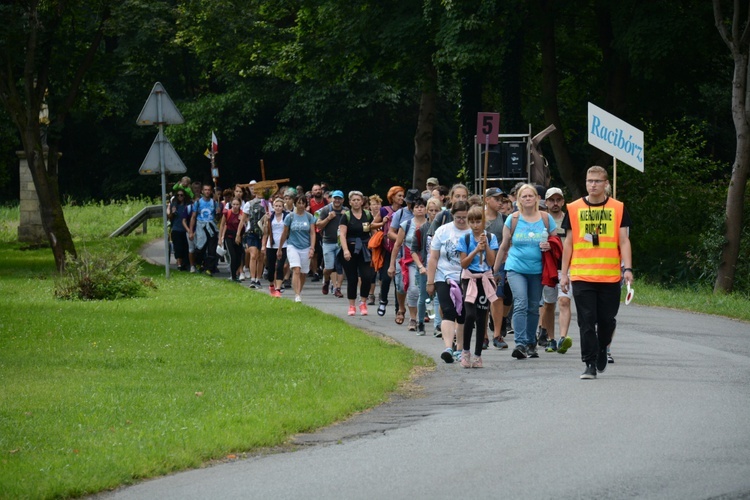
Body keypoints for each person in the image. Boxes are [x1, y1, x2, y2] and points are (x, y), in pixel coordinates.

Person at [559, 166, 633, 379]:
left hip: (610, 275)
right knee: (586, 320)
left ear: (606, 183)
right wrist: (564, 274)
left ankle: (602, 347)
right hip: (582, 274)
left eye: (597, 181)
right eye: (589, 180)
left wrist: (627, 268)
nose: (593, 185)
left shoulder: (618, 208)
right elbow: (569, 243)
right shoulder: (573, 208)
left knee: (607, 320)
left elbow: (624, 240)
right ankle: (589, 363)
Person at [495, 183, 556, 360]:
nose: (528, 199)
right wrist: (495, 270)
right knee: (520, 302)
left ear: (537, 198)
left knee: (533, 306)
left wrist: (549, 245)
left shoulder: (545, 218)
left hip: (538, 269)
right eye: (524, 196)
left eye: (531, 196)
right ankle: (520, 343)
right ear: (518, 200)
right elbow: (504, 245)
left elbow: (556, 243)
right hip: (516, 267)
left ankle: (531, 342)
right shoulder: (512, 219)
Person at [426, 200, 471, 363]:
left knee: (463, 314)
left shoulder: (473, 231)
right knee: (448, 310)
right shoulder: (443, 231)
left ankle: (460, 348)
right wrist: (430, 281)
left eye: (465, 217)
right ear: (452, 215)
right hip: (443, 276)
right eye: (458, 217)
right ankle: (448, 347)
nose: (461, 220)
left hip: (466, 276)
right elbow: (434, 257)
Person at [457, 205, 499, 368]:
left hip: (485, 279)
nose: (475, 225)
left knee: (482, 316)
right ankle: (465, 351)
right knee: (470, 315)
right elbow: (464, 263)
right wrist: (475, 250)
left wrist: (486, 245)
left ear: (483, 222)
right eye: (472, 222)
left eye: (478, 221)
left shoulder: (491, 237)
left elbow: (491, 262)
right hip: (470, 279)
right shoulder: (465, 239)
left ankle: (477, 354)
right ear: (469, 223)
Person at [537, 187, 574, 354]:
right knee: (549, 304)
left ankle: (562, 338)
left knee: (564, 301)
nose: (555, 203)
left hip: (567, 267)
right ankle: (550, 338)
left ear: (563, 202)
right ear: (546, 202)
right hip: (548, 267)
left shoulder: (570, 219)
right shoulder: (541, 220)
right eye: (552, 200)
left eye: (558, 200)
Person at [388, 194, 427, 332]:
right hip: (409, 262)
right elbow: (397, 245)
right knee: (412, 289)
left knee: (428, 292)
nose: (420, 209)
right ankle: (413, 318)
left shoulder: (431, 224)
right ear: (413, 209)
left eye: (422, 207)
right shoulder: (407, 224)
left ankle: (433, 321)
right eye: (417, 207)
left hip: (428, 262)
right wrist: (392, 264)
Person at [339, 191, 374, 316]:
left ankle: (363, 302)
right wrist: (345, 250)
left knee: (366, 276)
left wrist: (374, 247)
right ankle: (352, 305)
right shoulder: (346, 216)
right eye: (353, 200)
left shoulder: (368, 215)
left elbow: (373, 231)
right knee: (352, 278)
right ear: (350, 202)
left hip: (365, 249)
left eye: (358, 200)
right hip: (351, 248)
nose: (356, 202)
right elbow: (342, 234)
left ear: (362, 201)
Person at [411, 197, 441, 336]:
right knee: (424, 296)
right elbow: (414, 250)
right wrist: (420, 266)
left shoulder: (443, 228)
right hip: (425, 266)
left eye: (436, 210)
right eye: (431, 210)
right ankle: (420, 322)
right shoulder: (422, 229)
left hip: (440, 267)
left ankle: (438, 326)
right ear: (427, 211)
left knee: (438, 297)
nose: (434, 213)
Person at [372, 186, 405, 316]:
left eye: (403, 196)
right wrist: (382, 223)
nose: (402, 198)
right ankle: (383, 300)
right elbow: (372, 225)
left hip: (401, 249)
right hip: (387, 249)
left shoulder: (405, 211)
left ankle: (398, 309)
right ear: (392, 197)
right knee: (385, 278)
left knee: (399, 281)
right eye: (399, 196)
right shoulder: (384, 210)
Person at [278, 194, 316, 303]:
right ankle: (297, 294)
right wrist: (280, 248)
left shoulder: (309, 217)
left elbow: (312, 233)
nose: (301, 205)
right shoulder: (290, 217)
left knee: (303, 272)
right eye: (298, 202)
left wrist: (312, 248)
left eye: (303, 203)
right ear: (295, 203)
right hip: (292, 245)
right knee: (296, 269)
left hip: (306, 246)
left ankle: (299, 289)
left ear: (305, 204)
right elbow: (284, 233)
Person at [484, 187, 509, 349]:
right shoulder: (479, 218)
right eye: (496, 199)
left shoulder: (505, 219)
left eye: (501, 199)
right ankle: (484, 335)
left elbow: (508, 241)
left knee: (498, 297)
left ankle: (497, 334)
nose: (500, 202)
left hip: (499, 264)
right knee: (483, 299)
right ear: (487, 200)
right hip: (480, 263)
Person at [315, 190, 346, 298]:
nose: (337, 200)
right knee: (329, 267)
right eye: (335, 198)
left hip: (341, 242)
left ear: (343, 200)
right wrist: (328, 218)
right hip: (328, 242)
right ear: (331, 198)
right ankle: (326, 281)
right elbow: (318, 225)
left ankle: (337, 288)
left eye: (339, 198)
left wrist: (345, 217)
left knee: (340, 267)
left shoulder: (346, 211)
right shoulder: (326, 209)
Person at [188, 184, 222, 275]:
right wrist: (191, 231)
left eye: (209, 190)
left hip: (211, 227)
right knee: (200, 248)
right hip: (201, 227)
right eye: (205, 190)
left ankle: (209, 268)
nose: (207, 191)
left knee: (211, 249)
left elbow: (217, 218)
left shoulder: (214, 203)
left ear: (211, 192)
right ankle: (198, 263)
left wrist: (218, 213)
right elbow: (193, 217)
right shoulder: (198, 202)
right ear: (202, 191)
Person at [262, 197, 288, 297]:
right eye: (276, 206)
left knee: (280, 266)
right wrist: (266, 221)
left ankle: (278, 288)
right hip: (271, 245)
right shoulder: (270, 216)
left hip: (283, 245)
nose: (278, 208)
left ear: (283, 207)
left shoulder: (286, 216)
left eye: (280, 206)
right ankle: (271, 284)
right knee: (271, 267)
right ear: (273, 207)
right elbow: (265, 232)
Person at [219, 197, 244, 281]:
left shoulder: (242, 213)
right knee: (232, 256)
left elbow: (247, 225)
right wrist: (220, 238)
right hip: (229, 236)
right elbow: (222, 225)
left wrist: (243, 221)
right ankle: (233, 276)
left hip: (239, 237)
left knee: (238, 257)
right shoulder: (227, 213)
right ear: (231, 204)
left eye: (237, 204)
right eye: (234, 204)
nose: (235, 206)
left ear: (240, 205)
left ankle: (235, 273)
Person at [308, 183, 328, 282]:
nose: (318, 191)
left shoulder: (326, 202)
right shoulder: (309, 203)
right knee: (314, 252)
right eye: (315, 190)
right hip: (313, 230)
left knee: (324, 252)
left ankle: (323, 269)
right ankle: (315, 272)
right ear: (312, 192)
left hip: (324, 229)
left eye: (319, 189)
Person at [366, 194, 383, 305]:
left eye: (378, 204)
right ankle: (371, 295)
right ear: (369, 206)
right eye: (374, 204)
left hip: (382, 246)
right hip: (369, 246)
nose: (376, 206)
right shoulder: (367, 217)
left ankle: (382, 293)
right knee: (371, 272)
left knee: (381, 272)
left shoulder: (384, 216)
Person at [168, 188, 190, 271]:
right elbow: (169, 217)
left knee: (185, 247)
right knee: (178, 248)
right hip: (176, 229)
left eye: (181, 195)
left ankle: (185, 264)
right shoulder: (174, 204)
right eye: (178, 195)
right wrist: (172, 213)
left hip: (185, 229)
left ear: (184, 196)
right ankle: (179, 264)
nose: (180, 197)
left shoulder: (187, 205)